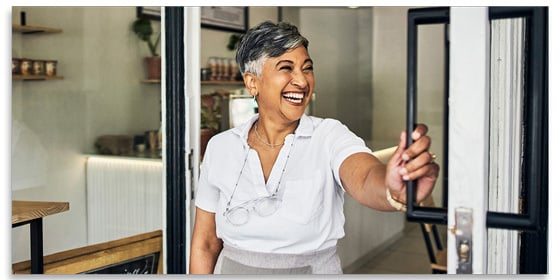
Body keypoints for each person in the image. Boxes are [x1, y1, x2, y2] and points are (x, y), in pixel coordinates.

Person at [190, 21, 439, 274]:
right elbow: (206, 243)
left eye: (307, 69)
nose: (302, 80)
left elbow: (363, 177)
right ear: (252, 82)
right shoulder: (221, 147)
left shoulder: (329, 135)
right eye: (286, 68)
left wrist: (393, 188)